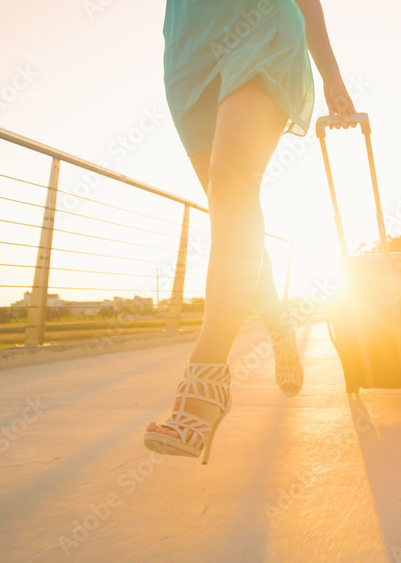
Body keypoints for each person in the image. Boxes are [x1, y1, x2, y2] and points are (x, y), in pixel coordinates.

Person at [144, 0, 356, 463]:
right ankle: (278, 325)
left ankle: (206, 378)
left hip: (262, 26)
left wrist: (331, 74)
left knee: (233, 183)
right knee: (229, 207)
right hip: (187, 49)